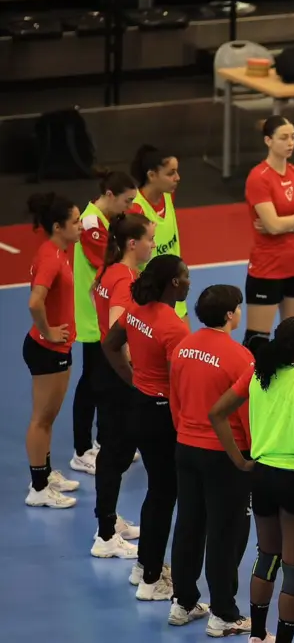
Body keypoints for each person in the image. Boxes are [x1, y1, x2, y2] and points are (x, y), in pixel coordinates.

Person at [209, 316, 294, 643]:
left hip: (260, 476)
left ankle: (257, 638)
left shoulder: (258, 371)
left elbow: (217, 412)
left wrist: (240, 460)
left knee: (267, 556)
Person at [102, 255, 192, 600]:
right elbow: (182, 383)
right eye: (185, 276)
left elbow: (110, 344)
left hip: (139, 406)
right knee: (164, 493)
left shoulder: (136, 311)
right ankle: (153, 580)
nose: (188, 281)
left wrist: (133, 379)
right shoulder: (174, 327)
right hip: (162, 415)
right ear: (173, 283)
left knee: (156, 490)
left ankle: (144, 565)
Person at [169, 285, 255, 635]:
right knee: (225, 531)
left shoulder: (182, 347)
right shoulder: (240, 358)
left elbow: (176, 398)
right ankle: (223, 612)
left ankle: (184, 602)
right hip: (225, 454)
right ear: (230, 314)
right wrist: (250, 457)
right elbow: (247, 414)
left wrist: (185, 432)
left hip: (186, 446)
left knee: (189, 524)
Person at [89, 212, 156, 558]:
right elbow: (118, 331)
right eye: (149, 239)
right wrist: (133, 375)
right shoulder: (125, 279)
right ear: (133, 243)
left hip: (104, 369)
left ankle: (109, 520)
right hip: (117, 374)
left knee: (111, 452)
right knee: (116, 453)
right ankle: (105, 537)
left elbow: (93, 299)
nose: (153, 245)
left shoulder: (109, 271)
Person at [70, 171, 139, 476]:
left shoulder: (106, 221)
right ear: (109, 194)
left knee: (99, 381)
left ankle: (99, 440)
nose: (128, 207)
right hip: (91, 317)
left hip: (100, 314)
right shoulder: (91, 224)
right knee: (92, 384)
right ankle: (82, 449)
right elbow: (111, 262)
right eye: (126, 201)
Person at [24, 192, 84, 510]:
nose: (80, 226)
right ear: (59, 226)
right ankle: (38, 488)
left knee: (49, 418)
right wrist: (48, 331)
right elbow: (35, 301)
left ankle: (45, 475)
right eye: (74, 222)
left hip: (57, 346)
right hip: (47, 348)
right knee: (42, 419)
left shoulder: (62, 249)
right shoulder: (50, 256)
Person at [243, 116, 294, 356]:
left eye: (293, 137)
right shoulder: (259, 177)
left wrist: (285, 223)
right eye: (283, 137)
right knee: (257, 341)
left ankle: (292, 392)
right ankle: (253, 392)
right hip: (267, 268)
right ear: (268, 140)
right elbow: (273, 226)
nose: (290, 143)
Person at [129, 145, 187, 318]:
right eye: (170, 173)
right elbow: (130, 260)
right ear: (152, 175)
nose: (177, 178)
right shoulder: (136, 210)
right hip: (152, 300)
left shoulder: (168, 195)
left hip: (174, 289)